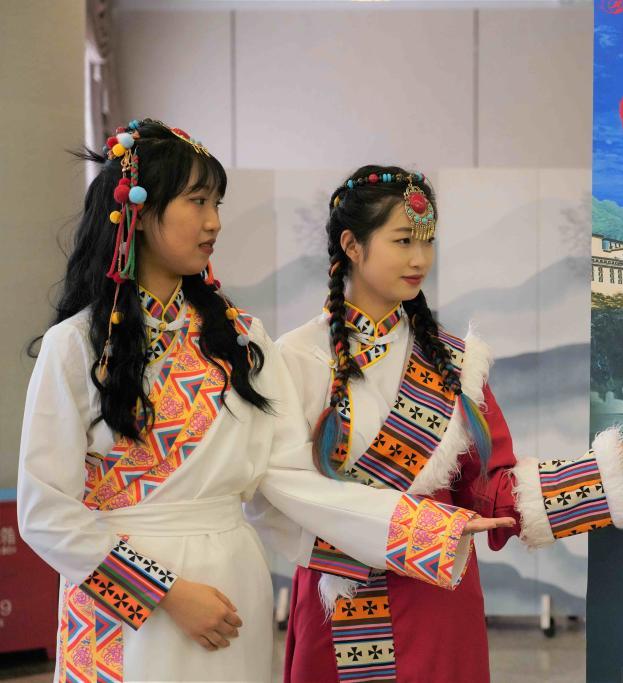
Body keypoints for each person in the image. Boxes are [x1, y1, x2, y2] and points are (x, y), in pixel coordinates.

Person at [17, 124, 510, 683]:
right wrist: (166, 593)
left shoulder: (241, 341)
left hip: (231, 582)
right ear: (140, 212)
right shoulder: (76, 346)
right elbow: (45, 511)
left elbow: (291, 481)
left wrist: (424, 531)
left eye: (217, 204)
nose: (214, 222)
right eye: (197, 202)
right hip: (123, 597)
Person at [276, 165, 623, 682]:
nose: (420, 259)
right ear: (352, 245)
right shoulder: (295, 357)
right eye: (403, 240)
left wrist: (603, 469)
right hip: (338, 594)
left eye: (428, 241)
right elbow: (281, 489)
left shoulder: (455, 362)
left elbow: (489, 490)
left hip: (436, 593)